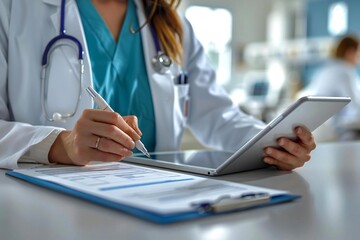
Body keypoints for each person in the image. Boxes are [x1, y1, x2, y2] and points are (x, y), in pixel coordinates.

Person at [0, 0, 316, 170]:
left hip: (158, 201)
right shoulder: (14, 9)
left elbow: (218, 115)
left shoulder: (170, 24)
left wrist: (271, 144)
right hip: (51, 207)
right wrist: (60, 144)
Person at [300, 34, 360, 140]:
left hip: (319, 130)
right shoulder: (344, 72)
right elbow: (355, 109)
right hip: (336, 132)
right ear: (350, 52)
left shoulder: (326, 69)